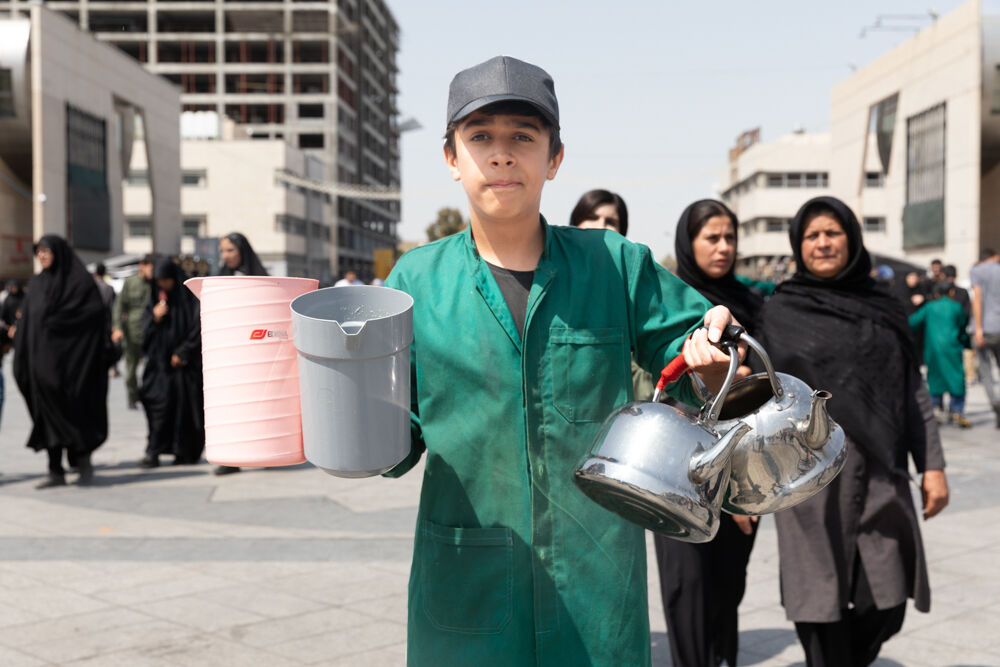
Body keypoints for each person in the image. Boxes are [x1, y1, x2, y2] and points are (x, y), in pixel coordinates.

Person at [382, 55, 742, 666]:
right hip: (466, 583)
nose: (501, 155)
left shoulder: (615, 265)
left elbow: (704, 357)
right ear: (451, 159)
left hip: (594, 588)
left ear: (554, 158)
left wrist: (712, 357)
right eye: (480, 138)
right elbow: (394, 440)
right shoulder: (414, 282)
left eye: (523, 137)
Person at [755, 196, 949, 667]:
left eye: (833, 232)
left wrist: (933, 468)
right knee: (818, 604)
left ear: (852, 239)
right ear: (798, 246)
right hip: (808, 480)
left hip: (880, 471)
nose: (823, 243)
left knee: (885, 601)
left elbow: (911, 391)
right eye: (812, 235)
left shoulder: (885, 307)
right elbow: (760, 406)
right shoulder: (780, 312)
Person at [653, 199, 763, 667]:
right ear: (688, 241)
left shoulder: (752, 304)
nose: (723, 247)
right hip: (679, 472)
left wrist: (743, 487)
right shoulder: (667, 308)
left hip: (742, 470)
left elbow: (761, 395)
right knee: (687, 588)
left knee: (727, 586)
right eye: (711, 238)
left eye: (729, 238)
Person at [12, 236, 109, 487]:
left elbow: (94, 316)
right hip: (40, 366)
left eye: (46, 251)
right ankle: (55, 470)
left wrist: (58, 324)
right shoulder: (37, 283)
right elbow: (29, 321)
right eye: (38, 252)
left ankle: (83, 463)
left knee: (76, 411)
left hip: (73, 368)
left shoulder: (79, 283)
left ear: (60, 253)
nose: (41, 256)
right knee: (46, 416)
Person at [138, 258, 205, 468]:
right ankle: (154, 450)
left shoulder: (188, 299)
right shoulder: (155, 298)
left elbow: (196, 326)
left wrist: (184, 351)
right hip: (159, 367)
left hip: (184, 368)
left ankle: (183, 451)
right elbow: (144, 333)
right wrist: (155, 318)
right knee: (157, 406)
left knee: (183, 410)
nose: (162, 284)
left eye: (166, 280)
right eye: (159, 280)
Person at [214, 233, 269, 474]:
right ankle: (230, 458)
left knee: (257, 405)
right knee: (230, 407)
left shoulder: (260, 279)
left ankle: (263, 451)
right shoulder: (220, 279)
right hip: (228, 356)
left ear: (241, 251)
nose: (225, 256)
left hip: (256, 356)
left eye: (229, 250)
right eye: (222, 251)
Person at [909, 281, 972, 428]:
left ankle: (935, 409)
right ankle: (957, 411)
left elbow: (913, 322)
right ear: (951, 293)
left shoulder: (929, 307)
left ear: (936, 294)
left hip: (933, 349)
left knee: (935, 378)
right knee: (956, 377)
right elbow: (963, 328)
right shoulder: (956, 307)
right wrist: (967, 344)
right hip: (952, 348)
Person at [112, 255, 154, 410]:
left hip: (151, 332)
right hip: (132, 332)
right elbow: (119, 306)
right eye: (150, 268)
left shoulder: (156, 283)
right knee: (130, 369)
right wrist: (117, 327)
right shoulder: (130, 282)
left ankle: (149, 394)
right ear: (143, 266)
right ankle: (132, 396)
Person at [971, 248, 1000, 427]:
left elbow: (977, 299)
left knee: (986, 371)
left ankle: (995, 403)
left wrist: (978, 328)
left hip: (986, 328)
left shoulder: (977, 271)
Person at [93, 262, 119, 377]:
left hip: (95, 322)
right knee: (110, 345)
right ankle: (113, 368)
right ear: (105, 273)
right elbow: (114, 307)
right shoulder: (109, 288)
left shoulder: (92, 287)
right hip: (107, 321)